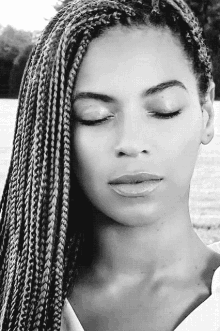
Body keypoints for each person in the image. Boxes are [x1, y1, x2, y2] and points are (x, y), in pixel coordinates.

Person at [0, 0, 220, 330]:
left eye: (164, 109)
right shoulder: (17, 302)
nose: (130, 143)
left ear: (206, 115)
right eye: (95, 117)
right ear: (56, 133)